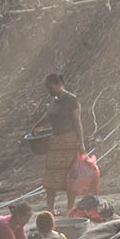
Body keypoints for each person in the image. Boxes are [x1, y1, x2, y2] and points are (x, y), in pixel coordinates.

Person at [31, 73, 85, 213]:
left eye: (51, 87)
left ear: (59, 84)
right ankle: (50, 209)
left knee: (69, 176)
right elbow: (49, 115)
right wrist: (37, 125)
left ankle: (70, 207)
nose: (49, 91)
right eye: (47, 88)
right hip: (55, 142)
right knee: (51, 176)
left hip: (69, 141)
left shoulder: (71, 100)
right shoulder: (54, 100)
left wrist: (81, 144)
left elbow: (77, 123)